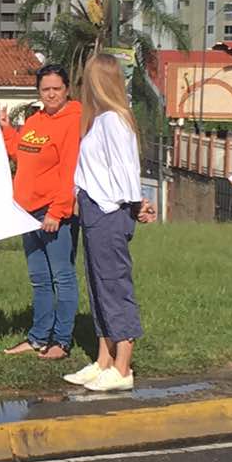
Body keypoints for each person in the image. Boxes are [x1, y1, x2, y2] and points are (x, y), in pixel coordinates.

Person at [62, 53, 156, 393]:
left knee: (114, 285)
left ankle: (122, 365)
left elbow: (124, 168)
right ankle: (104, 359)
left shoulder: (114, 121)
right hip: (94, 208)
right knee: (97, 284)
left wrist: (135, 204)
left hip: (108, 210)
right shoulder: (100, 121)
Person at [0, 63, 81, 360]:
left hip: (51, 210)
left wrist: (57, 212)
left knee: (62, 276)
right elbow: (20, 151)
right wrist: (7, 129)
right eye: (45, 89)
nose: (51, 94)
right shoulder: (35, 120)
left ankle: (61, 341)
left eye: (56, 89)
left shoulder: (73, 120)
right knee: (39, 278)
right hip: (26, 211)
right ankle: (37, 337)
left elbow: (70, 170)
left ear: (67, 89)